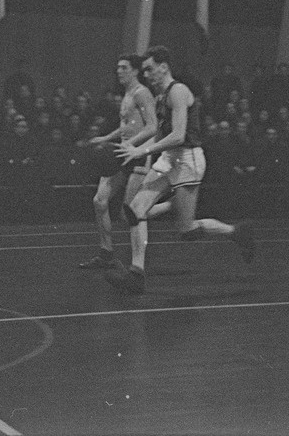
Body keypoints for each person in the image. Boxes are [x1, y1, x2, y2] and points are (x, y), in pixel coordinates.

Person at [107, 45, 255, 294]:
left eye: (150, 69)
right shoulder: (159, 96)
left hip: (188, 160)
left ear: (164, 67)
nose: (146, 75)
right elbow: (159, 135)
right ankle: (136, 275)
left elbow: (178, 135)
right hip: (169, 158)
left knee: (187, 230)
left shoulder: (178, 91)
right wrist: (137, 150)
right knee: (135, 209)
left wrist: (141, 151)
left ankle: (237, 232)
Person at [78, 54, 159, 270]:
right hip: (123, 153)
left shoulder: (142, 93)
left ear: (135, 70)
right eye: (118, 68)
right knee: (100, 201)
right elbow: (126, 126)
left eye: (124, 67)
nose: (119, 71)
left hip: (138, 154)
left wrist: (130, 145)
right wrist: (106, 138)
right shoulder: (127, 94)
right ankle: (106, 254)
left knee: (129, 212)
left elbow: (152, 126)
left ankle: (170, 206)